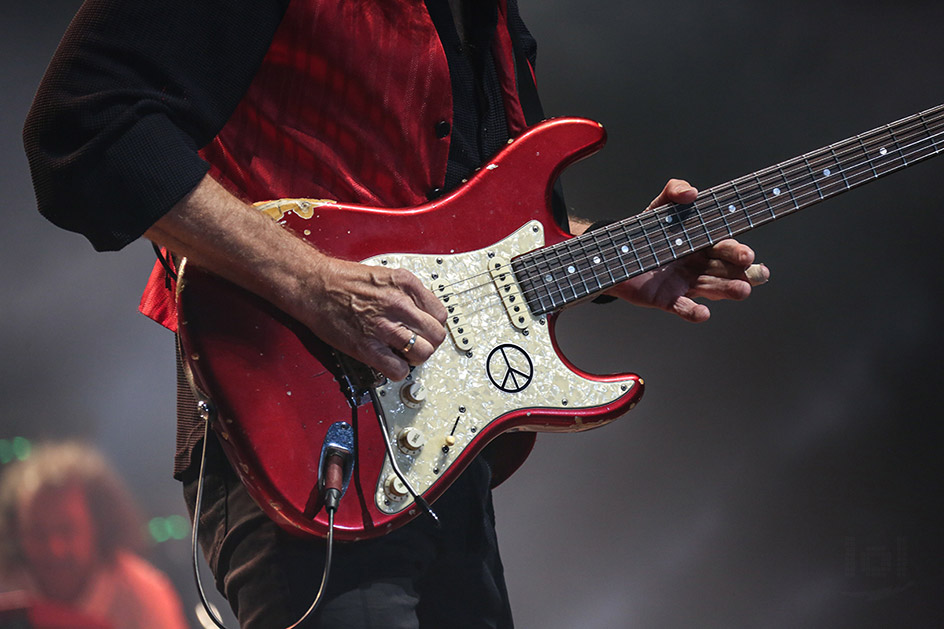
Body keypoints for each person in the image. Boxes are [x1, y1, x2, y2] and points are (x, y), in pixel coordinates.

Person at [23, 1, 769, 627]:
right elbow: (81, 124)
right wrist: (311, 281)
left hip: (437, 444)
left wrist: (611, 258)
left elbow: (468, 229)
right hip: (293, 415)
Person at [0, 442, 190, 629]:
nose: (53, 548)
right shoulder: (5, 583)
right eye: (37, 532)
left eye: (66, 530)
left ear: (100, 526)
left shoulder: (144, 596)